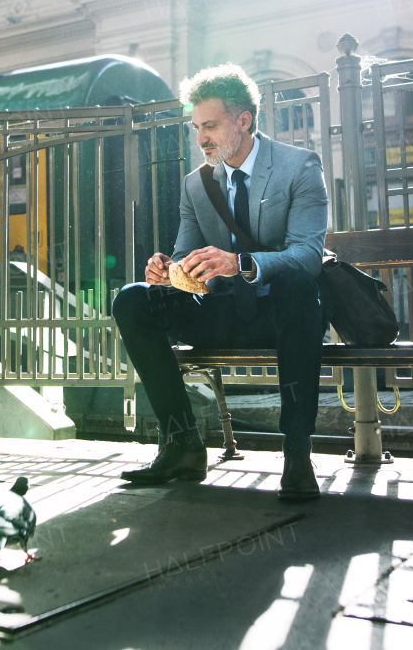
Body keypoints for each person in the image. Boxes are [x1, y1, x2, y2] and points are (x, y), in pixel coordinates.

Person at [111, 64, 328, 499]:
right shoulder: (197, 184)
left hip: (280, 314)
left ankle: (297, 454)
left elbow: (308, 254)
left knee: (299, 287)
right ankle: (182, 446)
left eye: (209, 126)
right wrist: (167, 272)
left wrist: (241, 263)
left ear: (242, 120)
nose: (200, 139)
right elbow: (186, 256)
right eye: (196, 128)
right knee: (133, 300)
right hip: (221, 314)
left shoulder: (298, 166)